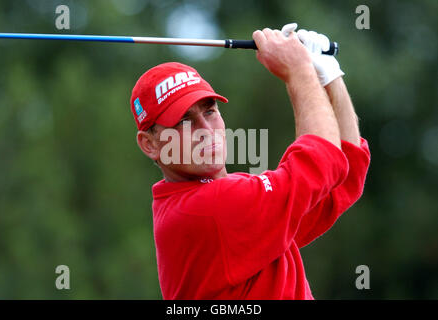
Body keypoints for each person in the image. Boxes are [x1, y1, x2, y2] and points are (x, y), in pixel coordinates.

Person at [130, 24, 371, 299]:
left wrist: (328, 74)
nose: (206, 131)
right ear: (149, 144)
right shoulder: (207, 210)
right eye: (184, 121)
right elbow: (324, 160)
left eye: (209, 111)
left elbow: (343, 174)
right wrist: (300, 71)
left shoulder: (233, 200)